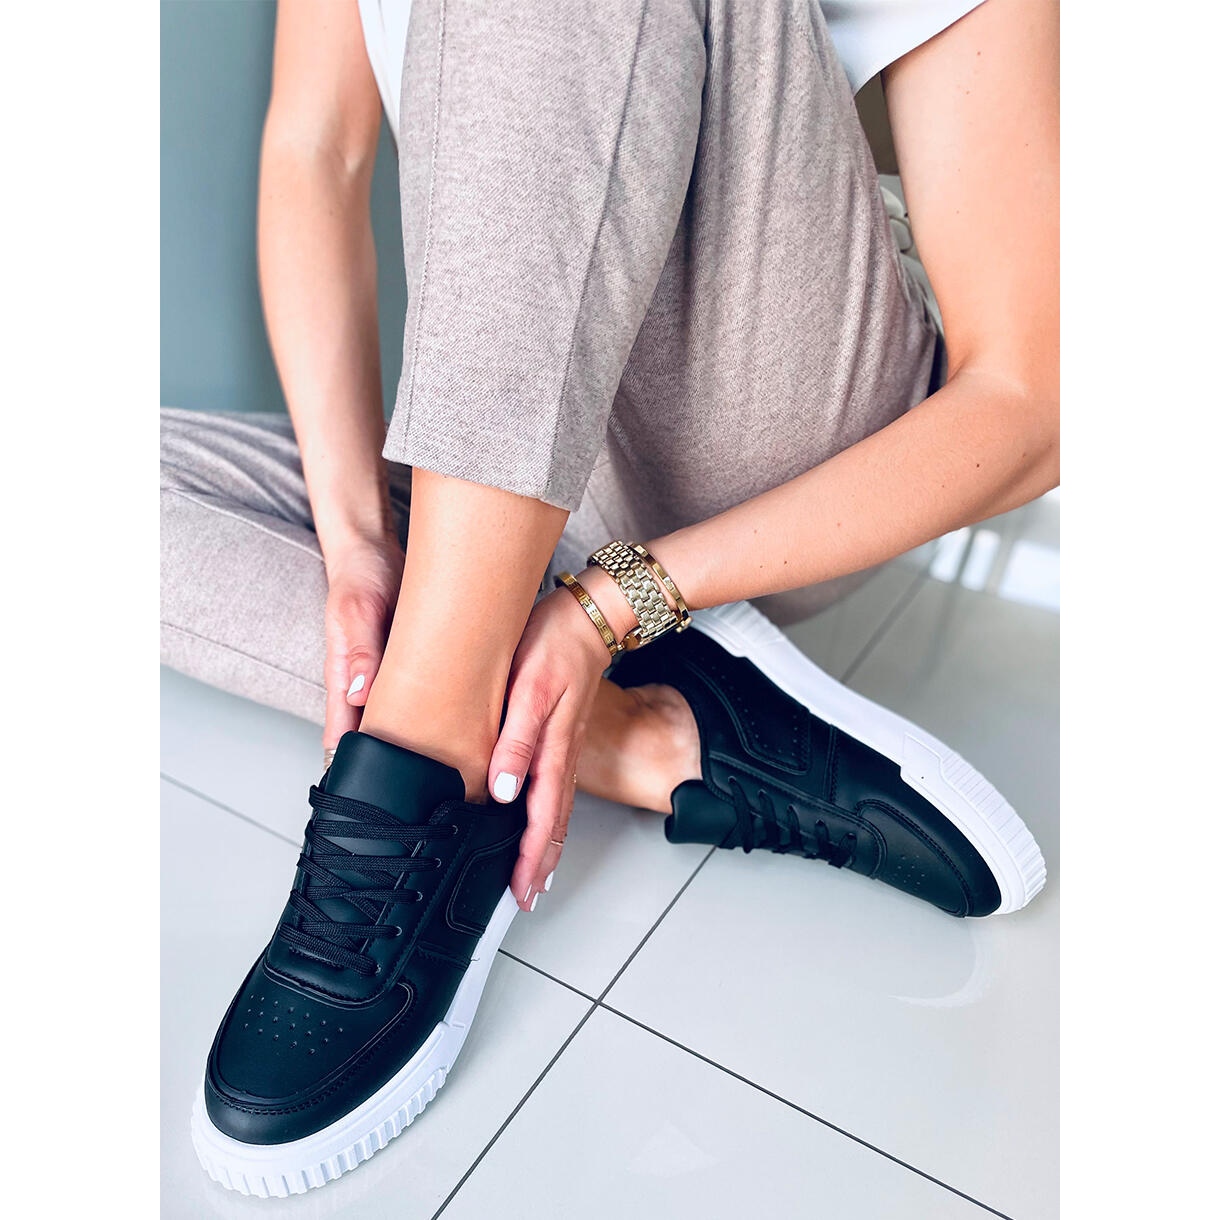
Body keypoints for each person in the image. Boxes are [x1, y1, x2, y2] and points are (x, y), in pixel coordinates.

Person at [164, 0, 1058, 1197]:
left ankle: (430, 750)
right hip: (517, 436)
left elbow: (1031, 407)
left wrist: (618, 602)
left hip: (764, 439)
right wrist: (356, 541)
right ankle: (655, 737)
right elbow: (313, 151)